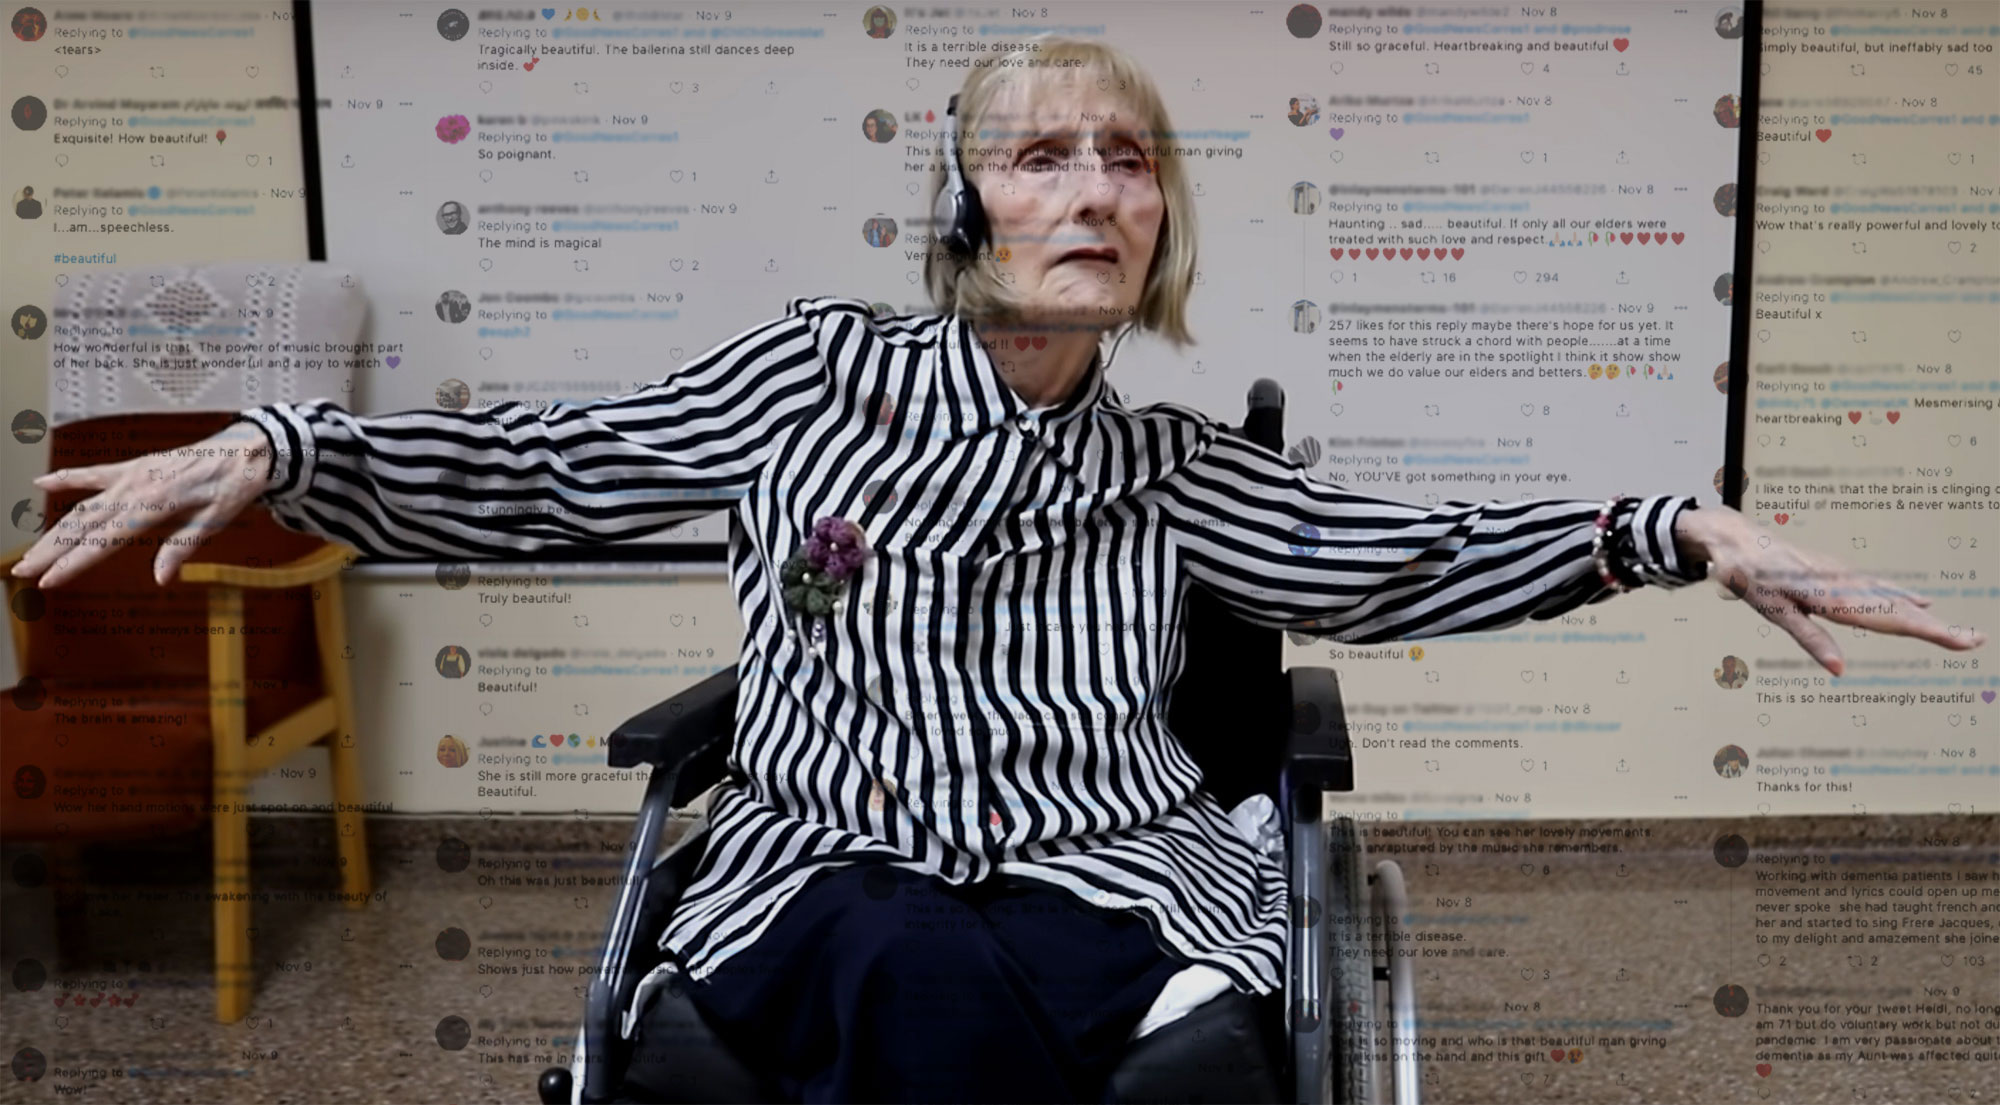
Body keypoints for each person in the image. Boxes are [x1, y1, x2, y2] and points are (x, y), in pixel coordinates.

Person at [9, 33, 1985, 1105]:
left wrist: (1677, 529)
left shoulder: (1172, 465)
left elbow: (1398, 557)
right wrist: (290, 442)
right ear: (960, 204)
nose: (1098, 191)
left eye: (1129, 163)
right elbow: (561, 469)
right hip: (814, 854)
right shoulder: (809, 378)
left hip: (1113, 857)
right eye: (1044, 154)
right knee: (848, 973)